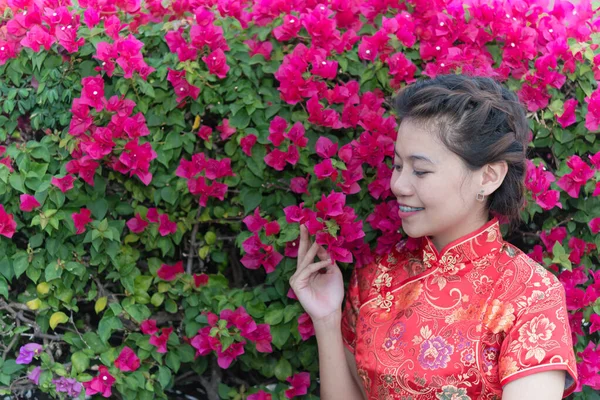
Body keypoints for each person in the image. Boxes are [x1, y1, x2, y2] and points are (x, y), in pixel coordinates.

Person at [289, 74, 578, 400]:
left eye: (421, 170)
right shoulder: (375, 278)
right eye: (398, 166)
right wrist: (327, 318)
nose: (398, 185)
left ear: (489, 176)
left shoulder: (530, 294)